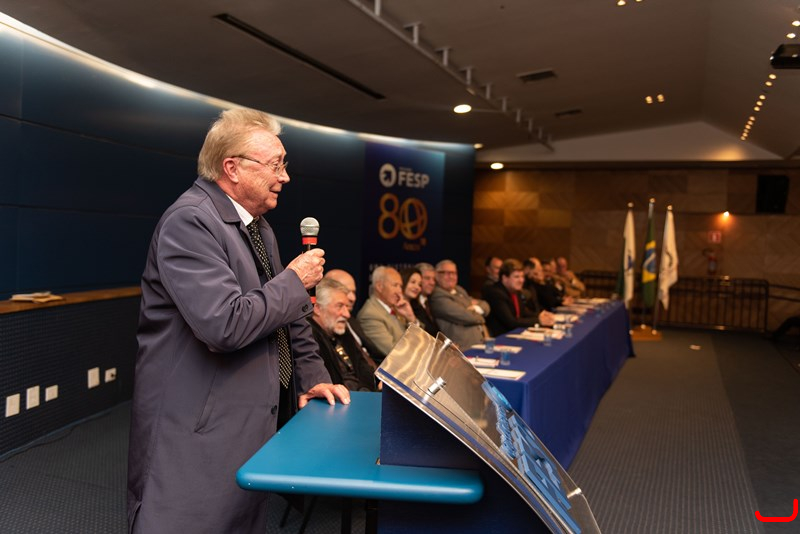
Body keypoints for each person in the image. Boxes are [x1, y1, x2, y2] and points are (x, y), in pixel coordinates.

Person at [127, 108, 349, 534]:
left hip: (248, 424)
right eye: (276, 165)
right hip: (197, 432)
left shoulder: (258, 228)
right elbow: (224, 325)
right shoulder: (190, 221)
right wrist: (294, 280)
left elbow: (291, 317)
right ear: (232, 168)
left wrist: (311, 376)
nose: (285, 177)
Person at [309, 278, 379, 391]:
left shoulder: (342, 331)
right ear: (317, 308)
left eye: (347, 307)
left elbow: (364, 368)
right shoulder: (309, 337)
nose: (347, 314)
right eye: (340, 306)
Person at [356, 266, 418, 362]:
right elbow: (394, 352)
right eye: (395, 285)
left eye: (400, 286)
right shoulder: (370, 315)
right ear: (379, 287)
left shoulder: (397, 308)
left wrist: (411, 318)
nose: (399, 291)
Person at [429, 259, 489, 349]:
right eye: (447, 273)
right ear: (437, 275)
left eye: (454, 273)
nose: (451, 277)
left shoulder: (459, 290)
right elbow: (468, 317)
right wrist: (480, 316)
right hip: (462, 348)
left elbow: (485, 305)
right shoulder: (437, 295)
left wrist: (475, 308)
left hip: (481, 342)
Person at [485, 259, 554, 336]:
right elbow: (511, 322)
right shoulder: (496, 293)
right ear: (505, 278)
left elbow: (523, 312)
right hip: (501, 337)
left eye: (522, 277)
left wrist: (540, 315)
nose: (521, 280)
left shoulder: (515, 291)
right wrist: (538, 320)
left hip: (515, 334)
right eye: (516, 277)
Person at [400, 266, 440, 337]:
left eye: (420, 285)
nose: (417, 287)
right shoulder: (392, 305)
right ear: (403, 281)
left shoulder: (418, 307)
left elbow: (428, 333)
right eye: (413, 282)